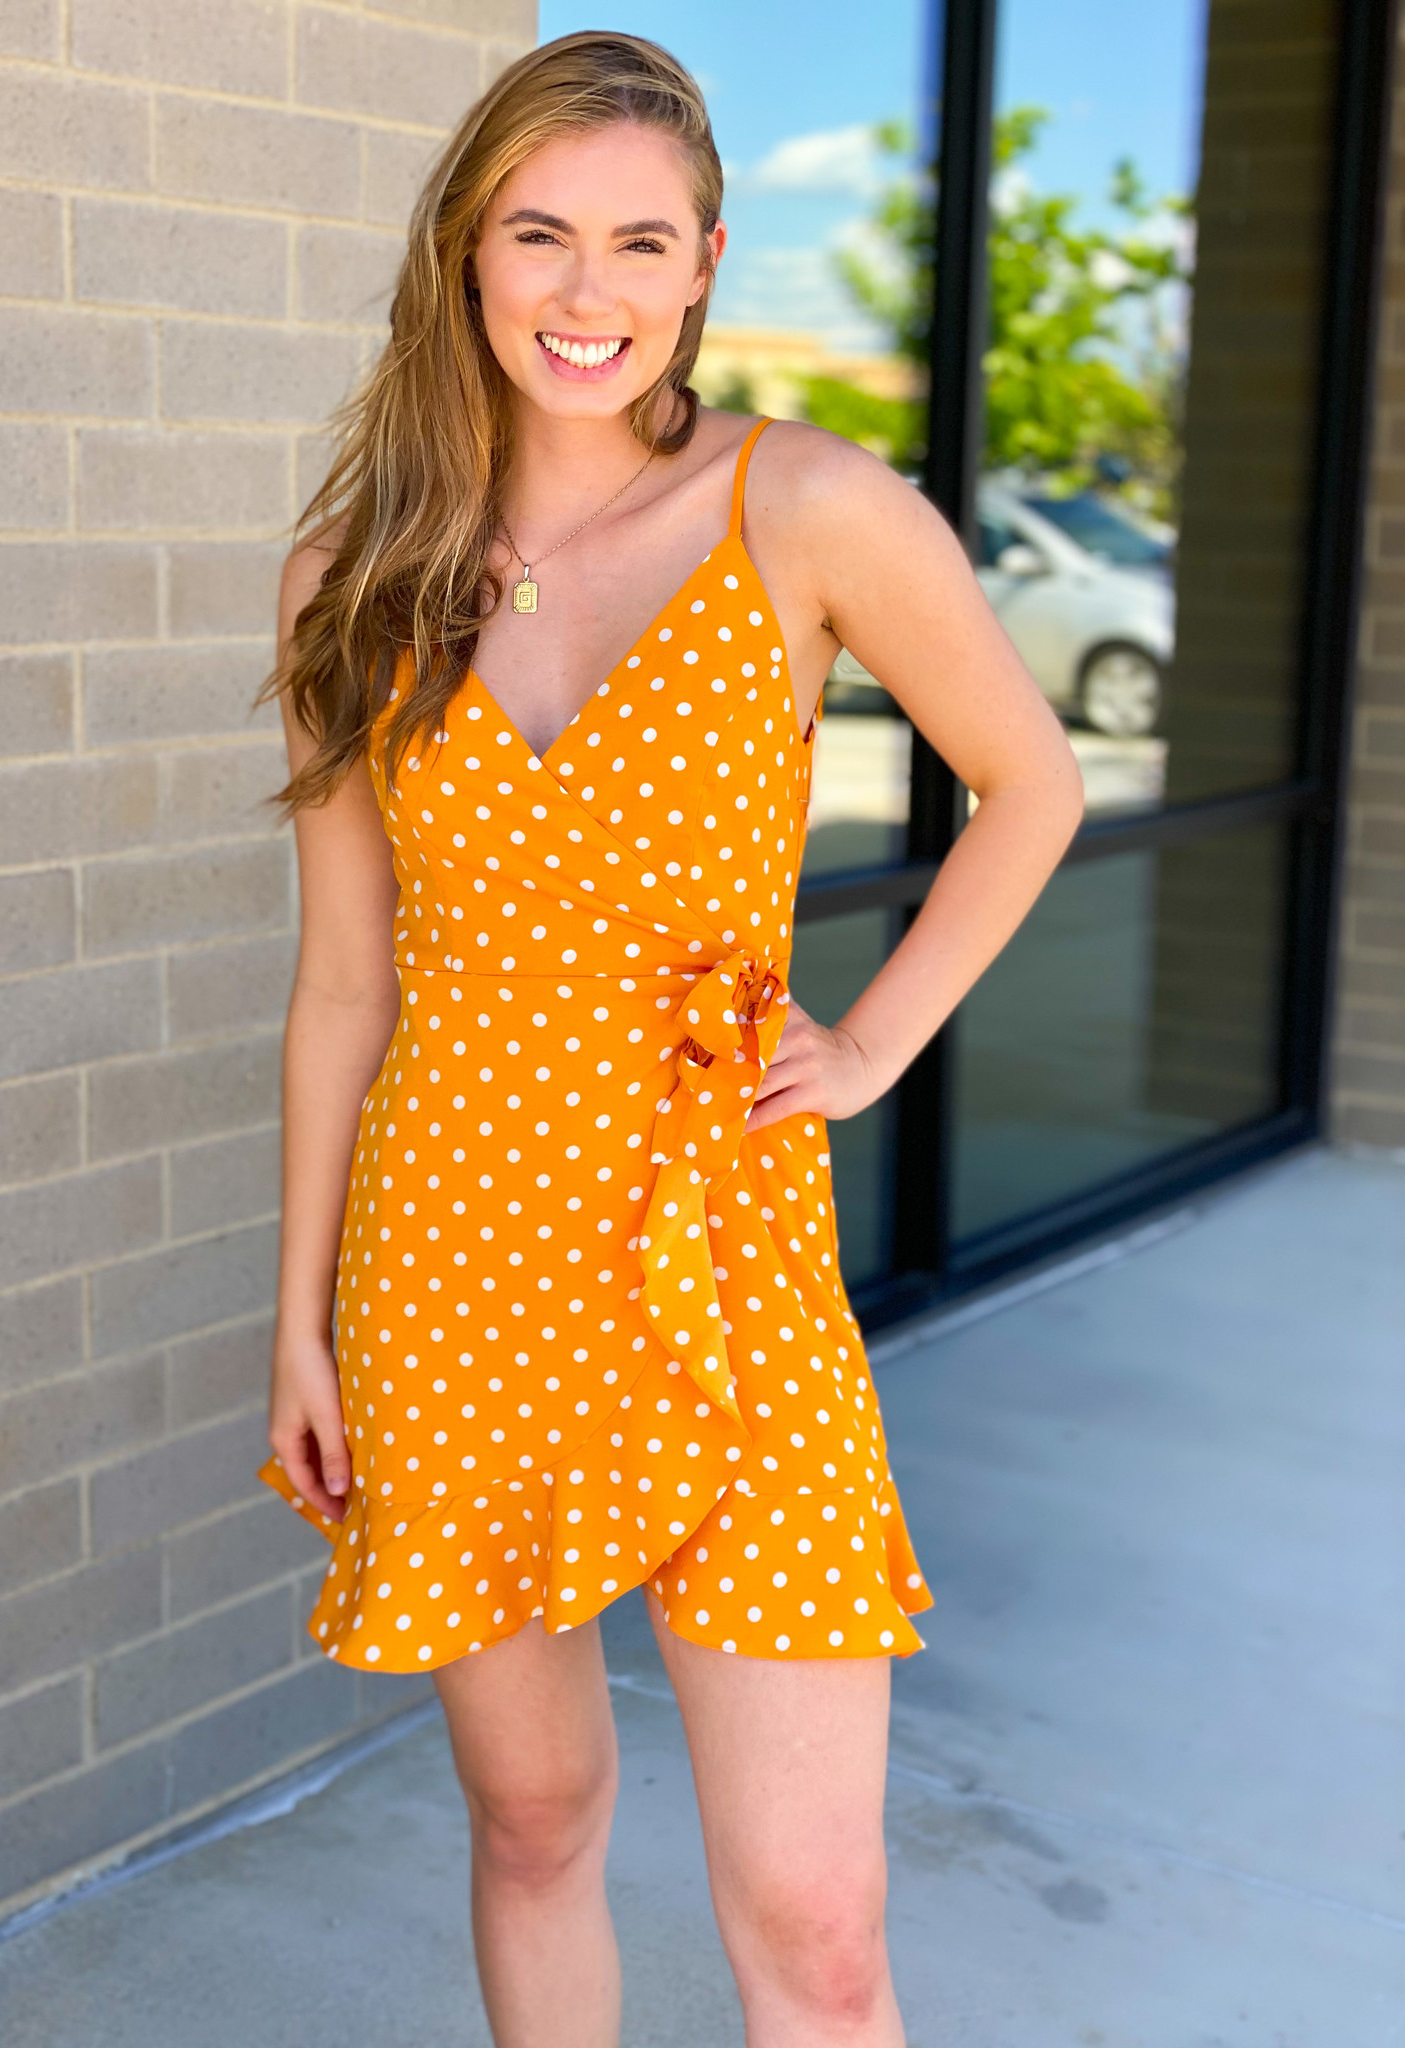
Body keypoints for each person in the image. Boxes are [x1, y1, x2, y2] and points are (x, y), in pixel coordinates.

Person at [254, 30, 1083, 2048]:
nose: (588, 289)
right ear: (466, 250)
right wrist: (300, 1323)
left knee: (819, 1925)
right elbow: (345, 982)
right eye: (540, 232)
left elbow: (1031, 782)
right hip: (451, 1259)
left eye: (641, 241)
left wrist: (872, 1047)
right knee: (533, 1821)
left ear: (706, 264)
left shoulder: (803, 506)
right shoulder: (352, 578)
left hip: (728, 1262)